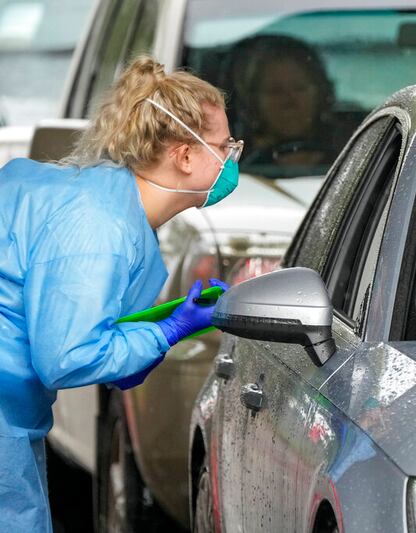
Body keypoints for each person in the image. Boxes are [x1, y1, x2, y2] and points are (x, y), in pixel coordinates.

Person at [0, 56, 241, 531]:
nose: (232, 159)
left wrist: (163, 325)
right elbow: (67, 357)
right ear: (185, 156)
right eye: (225, 146)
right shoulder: (99, 227)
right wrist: (168, 331)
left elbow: (93, 330)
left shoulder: (108, 202)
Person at [228, 35, 351, 168]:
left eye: (299, 88)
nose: (289, 102)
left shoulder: (352, 145)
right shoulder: (228, 158)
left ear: (321, 92)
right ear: (253, 102)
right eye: (275, 91)